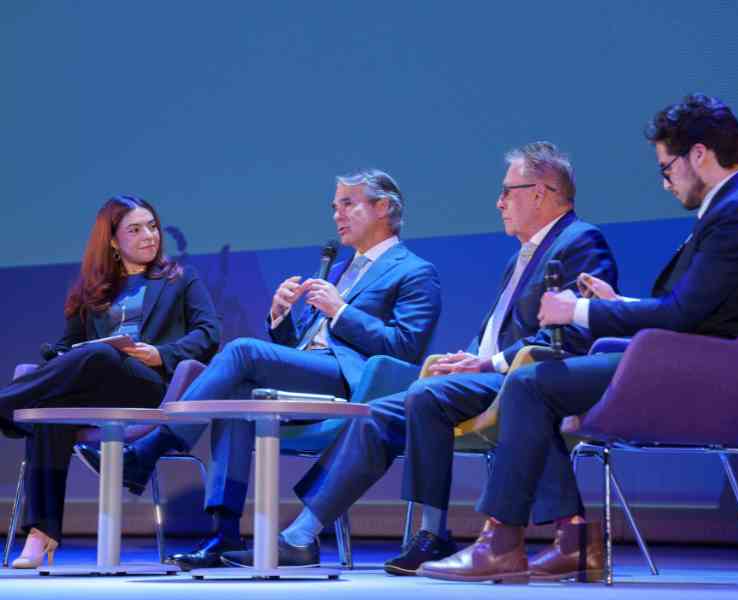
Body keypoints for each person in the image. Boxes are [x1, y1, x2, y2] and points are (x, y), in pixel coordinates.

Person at [418, 94, 738, 584]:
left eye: (667, 167)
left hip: (697, 373)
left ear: (699, 154)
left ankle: (502, 543)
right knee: (535, 387)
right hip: (690, 359)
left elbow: (684, 315)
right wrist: (620, 304)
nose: (666, 181)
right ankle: (571, 542)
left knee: (530, 385)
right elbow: (697, 310)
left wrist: (579, 310)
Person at [219, 142, 618, 572]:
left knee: (424, 396)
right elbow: (497, 332)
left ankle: (434, 534)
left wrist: (486, 364)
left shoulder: (579, 241)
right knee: (377, 413)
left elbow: (566, 335)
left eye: (507, 191)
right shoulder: (522, 254)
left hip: (534, 379)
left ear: (539, 193)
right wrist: (463, 358)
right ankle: (302, 535)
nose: (499, 201)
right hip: (494, 376)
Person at [77, 169, 443, 570]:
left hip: (354, 383)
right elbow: (299, 348)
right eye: (333, 206)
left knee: (242, 352)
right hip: (316, 373)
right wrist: (280, 316)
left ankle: (153, 447)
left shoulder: (414, 271)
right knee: (237, 396)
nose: (337, 214)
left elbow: (405, 348)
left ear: (383, 207)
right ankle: (223, 531)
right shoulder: (342, 269)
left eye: (347, 203)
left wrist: (340, 310)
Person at [0, 195, 220, 569]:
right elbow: (70, 346)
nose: (149, 236)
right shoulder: (95, 289)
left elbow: (208, 334)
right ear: (114, 241)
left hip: (151, 387)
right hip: (98, 381)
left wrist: (160, 354)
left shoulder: (179, 279)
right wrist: (58, 353)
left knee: (100, 355)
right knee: (53, 407)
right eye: (135, 229)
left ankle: (6, 406)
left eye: (152, 226)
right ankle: (41, 534)